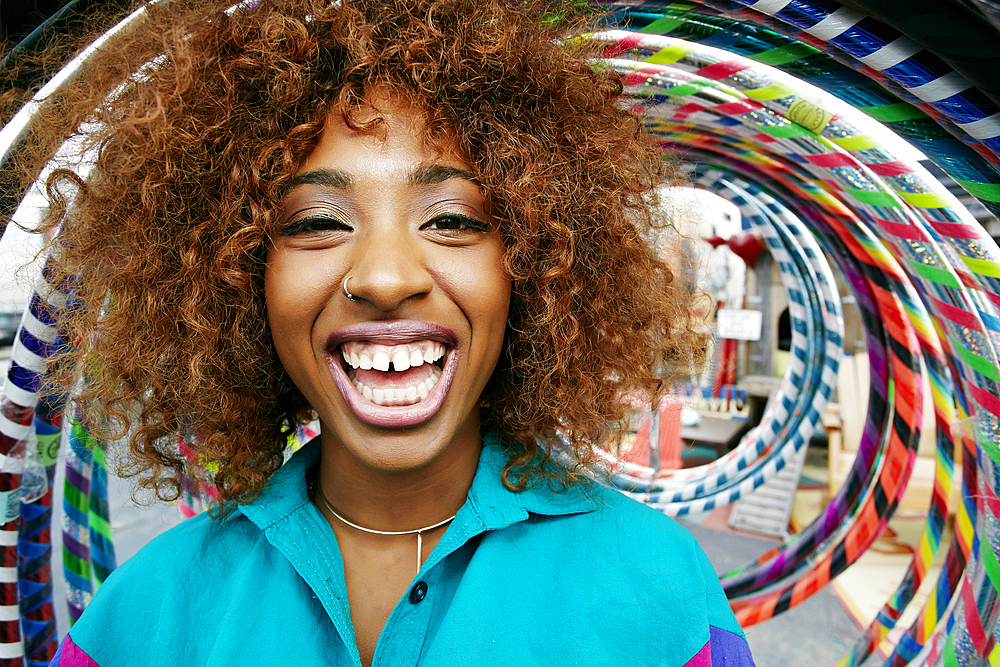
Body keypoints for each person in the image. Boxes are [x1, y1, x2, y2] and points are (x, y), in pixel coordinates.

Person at [20, 0, 756, 665]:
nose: (384, 275)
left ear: (531, 263)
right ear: (239, 277)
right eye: (316, 222)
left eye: (452, 219)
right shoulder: (145, 620)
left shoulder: (664, 600)